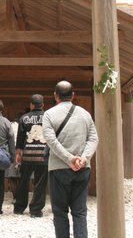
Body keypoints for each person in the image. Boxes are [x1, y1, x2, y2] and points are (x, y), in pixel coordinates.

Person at [43, 81, 99, 238]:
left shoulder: (49, 114)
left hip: (58, 168)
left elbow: (51, 141)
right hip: (82, 167)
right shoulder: (85, 114)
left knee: (60, 212)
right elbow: (94, 139)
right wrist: (83, 158)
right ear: (73, 95)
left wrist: (69, 159)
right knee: (80, 211)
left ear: (55, 96)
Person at [13, 94, 49, 217]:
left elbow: (20, 137)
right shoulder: (48, 117)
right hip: (43, 155)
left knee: (23, 182)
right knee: (40, 183)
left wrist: (18, 153)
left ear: (31, 105)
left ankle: (19, 207)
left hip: (27, 155)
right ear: (43, 105)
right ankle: (36, 210)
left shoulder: (24, 118)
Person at [5, 112, 23, 202]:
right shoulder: (24, 125)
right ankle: (21, 198)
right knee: (22, 177)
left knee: (12, 176)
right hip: (23, 152)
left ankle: (15, 198)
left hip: (11, 152)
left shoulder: (10, 125)